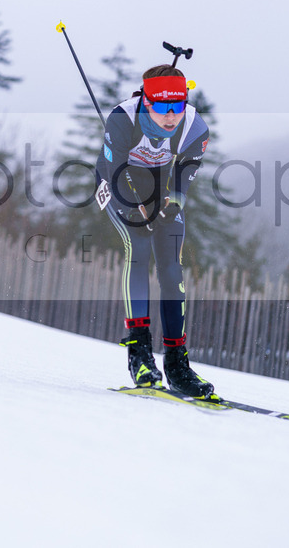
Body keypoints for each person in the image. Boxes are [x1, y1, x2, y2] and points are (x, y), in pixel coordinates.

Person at [94, 64, 214, 397]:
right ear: (147, 102)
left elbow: (186, 169)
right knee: (139, 245)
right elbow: (115, 172)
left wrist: (172, 202)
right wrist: (136, 209)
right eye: (162, 108)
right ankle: (140, 354)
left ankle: (177, 363)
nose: (171, 115)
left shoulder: (194, 126)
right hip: (117, 181)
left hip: (159, 184)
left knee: (171, 265)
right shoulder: (122, 119)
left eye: (177, 106)